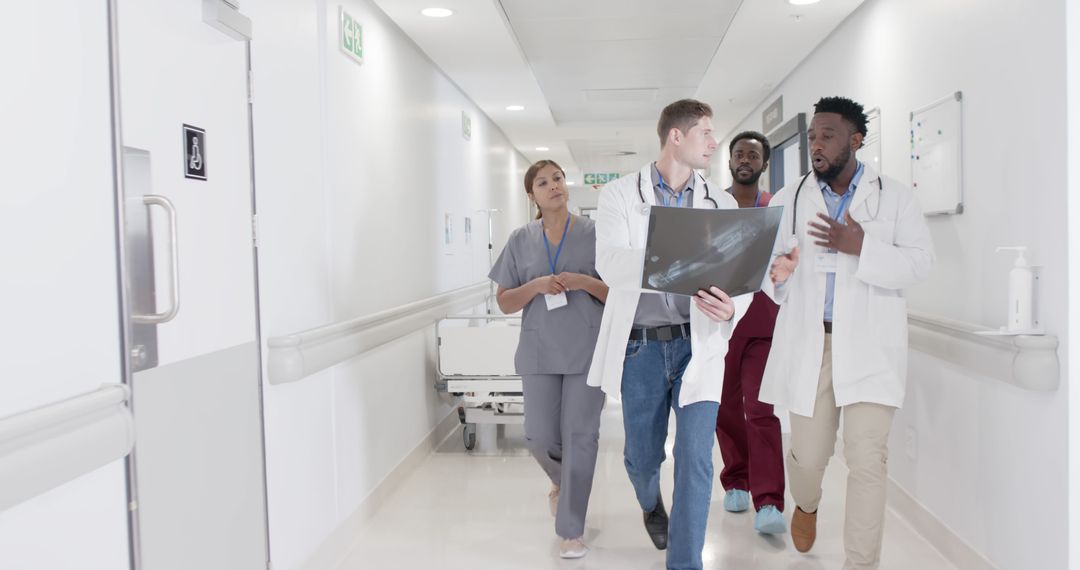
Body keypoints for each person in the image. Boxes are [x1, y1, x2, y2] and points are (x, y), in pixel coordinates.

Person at [763, 96, 934, 569]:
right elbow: (768, 265)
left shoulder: (894, 196)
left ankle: (860, 564)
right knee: (808, 457)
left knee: (867, 459)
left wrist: (862, 246)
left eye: (828, 136)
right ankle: (808, 503)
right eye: (812, 137)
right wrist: (776, 273)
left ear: (855, 140)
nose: (816, 145)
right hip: (810, 343)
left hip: (872, 347)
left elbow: (921, 264)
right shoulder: (790, 197)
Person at [587, 99, 753, 570]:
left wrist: (731, 307)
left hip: (697, 342)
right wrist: (675, 259)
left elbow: (740, 276)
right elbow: (611, 263)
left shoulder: (719, 203)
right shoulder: (619, 195)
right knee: (642, 458)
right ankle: (648, 501)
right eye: (705, 132)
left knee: (696, 459)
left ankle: (684, 563)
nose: (714, 141)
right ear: (675, 137)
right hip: (641, 345)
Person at [488, 159, 609, 559]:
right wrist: (536, 285)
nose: (553, 185)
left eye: (557, 178)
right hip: (539, 349)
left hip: (587, 349)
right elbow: (504, 301)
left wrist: (582, 281)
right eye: (543, 182)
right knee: (538, 435)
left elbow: (616, 294)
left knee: (580, 436)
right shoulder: (520, 240)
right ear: (531, 195)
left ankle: (571, 529)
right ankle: (563, 482)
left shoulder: (595, 233)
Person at [714, 131, 786, 535]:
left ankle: (770, 501)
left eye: (753, 155)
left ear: (763, 163)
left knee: (760, 410)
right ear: (730, 161)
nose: (745, 159)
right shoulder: (714, 204)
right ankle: (737, 480)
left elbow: (788, 258)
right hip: (721, 324)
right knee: (724, 408)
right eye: (739, 153)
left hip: (763, 324)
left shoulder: (775, 207)